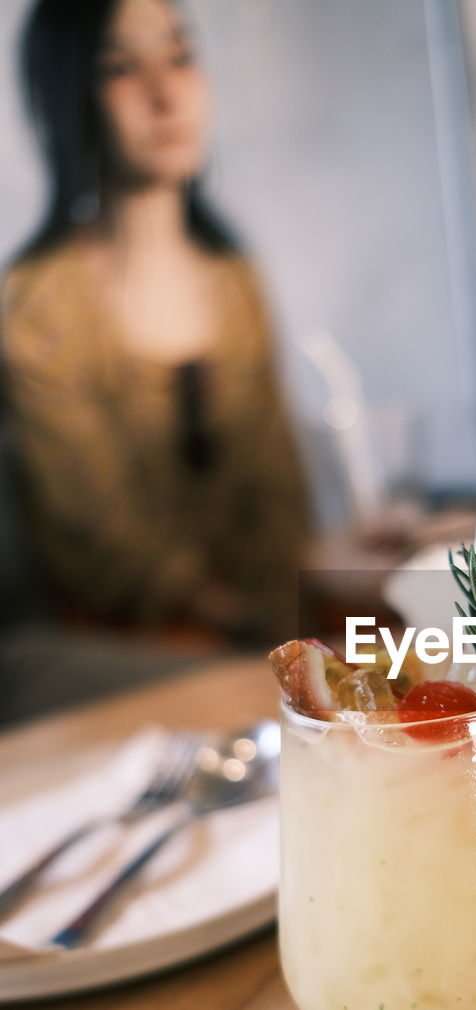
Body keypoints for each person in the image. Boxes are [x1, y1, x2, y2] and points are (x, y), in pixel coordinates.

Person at [1, 0, 310, 643]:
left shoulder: (233, 276)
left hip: (268, 633)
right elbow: (102, 541)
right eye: (120, 66)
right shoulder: (40, 302)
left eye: (180, 57)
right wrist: (251, 625)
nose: (165, 92)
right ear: (69, 94)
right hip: (120, 654)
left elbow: (282, 495)